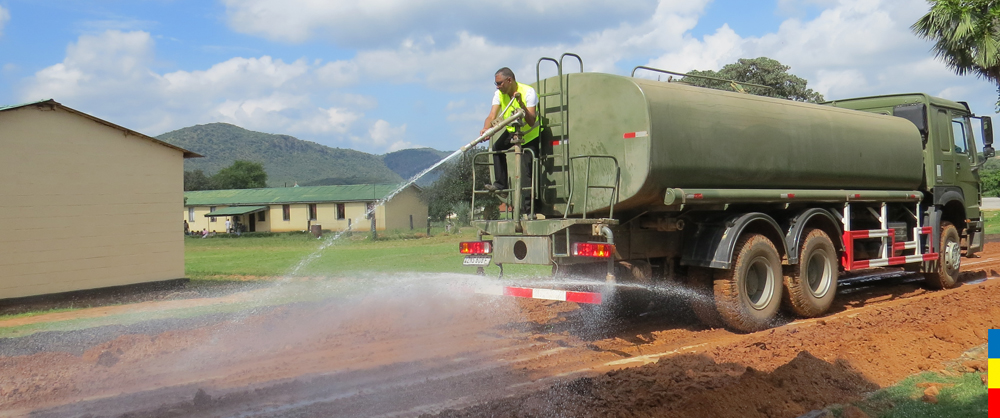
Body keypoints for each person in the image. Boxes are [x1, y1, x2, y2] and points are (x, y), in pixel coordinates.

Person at [480, 67, 541, 195]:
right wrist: (486, 128)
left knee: (528, 171)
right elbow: (492, 116)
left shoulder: (528, 92)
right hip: (513, 131)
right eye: (496, 84)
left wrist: (521, 104)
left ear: (509, 80)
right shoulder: (499, 94)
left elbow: (531, 121)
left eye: (499, 83)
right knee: (497, 149)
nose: (497, 87)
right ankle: (501, 186)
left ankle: (529, 206)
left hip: (529, 134)